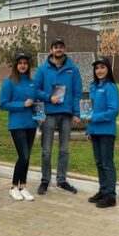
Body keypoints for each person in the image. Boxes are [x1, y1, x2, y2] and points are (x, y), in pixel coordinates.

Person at [33, 37, 83, 195]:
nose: (58, 49)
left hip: (66, 114)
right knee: (46, 150)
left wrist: (77, 112)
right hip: (48, 114)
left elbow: (77, 92)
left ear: (64, 49)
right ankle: (45, 180)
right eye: (55, 47)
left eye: (61, 47)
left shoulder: (73, 69)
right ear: (51, 50)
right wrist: (49, 98)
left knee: (64, 150)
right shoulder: (42, 69)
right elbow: (35, 90)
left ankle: (61, 180)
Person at [0, 52, 38, 201]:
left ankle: (23, 186)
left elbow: (38, 99)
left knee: (27, 158)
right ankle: (13, 187)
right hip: (17, 125)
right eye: (20, 63)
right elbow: (2, 103)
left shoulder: (32, 82)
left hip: (31, 124)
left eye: (25, 63)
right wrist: (22, 104)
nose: (23, 65)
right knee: (24, 156)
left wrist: (41, 114)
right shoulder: (9, 82)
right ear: (16, 65)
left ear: (28, 66)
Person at [86, 56, 119, 208]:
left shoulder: (111, 87)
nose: (99, 70)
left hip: (107, 131)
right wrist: (89, 129)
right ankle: (103, 190)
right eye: (97, 68)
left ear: (108, 69)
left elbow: (114, 111)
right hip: (95, 131)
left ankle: (111, 196)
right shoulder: (93, 87)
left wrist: (95, 117)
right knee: (99, 163)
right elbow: (89, 111)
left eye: (102, 67)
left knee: (107, 163)